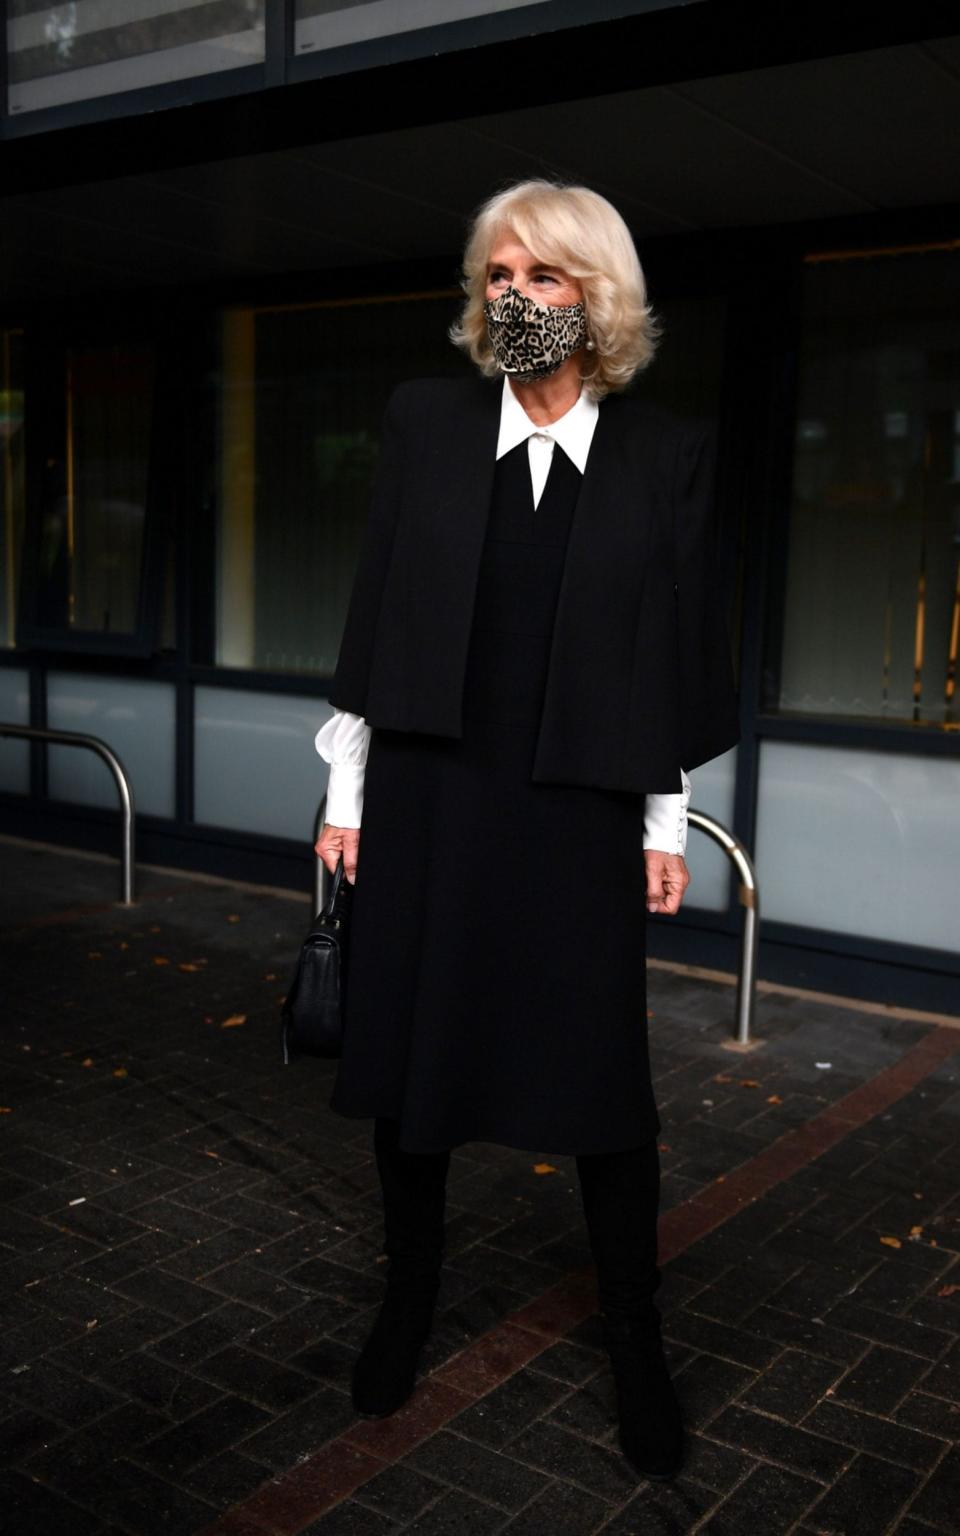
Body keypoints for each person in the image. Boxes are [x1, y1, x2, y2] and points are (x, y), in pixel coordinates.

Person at [314, 179, 739, 1482]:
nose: (516, 296)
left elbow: (671, 651)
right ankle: (407, 1304)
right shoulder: (427, 424)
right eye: (499, 275)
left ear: (597, 299)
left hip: (578, 807)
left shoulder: (662, 450)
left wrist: (667, 819)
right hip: (434, 794)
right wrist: (346, 797)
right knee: (417, 1066)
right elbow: (377, 609)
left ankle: (638, 1338)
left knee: (606, 1089)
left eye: (545, 277)